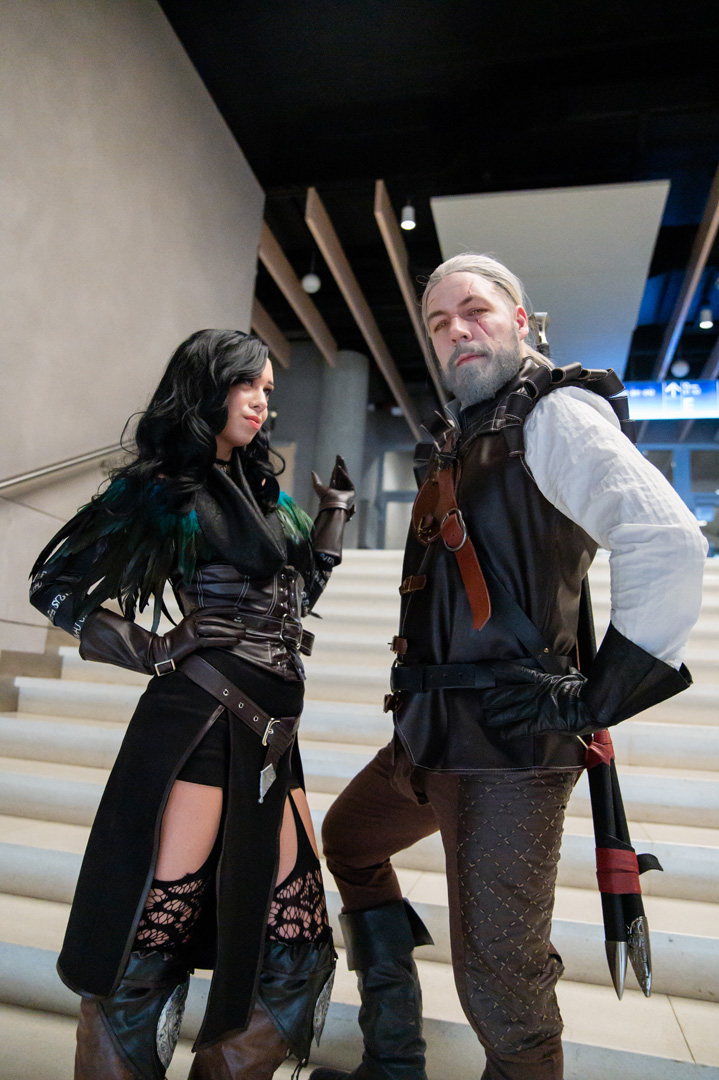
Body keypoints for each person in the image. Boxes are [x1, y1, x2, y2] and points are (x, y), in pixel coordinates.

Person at [310, 254, 707, 1080]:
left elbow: (665, 539)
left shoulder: (553, 413)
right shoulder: (464, 434)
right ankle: (394, 1054)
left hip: (508, 755)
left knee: (500, 992)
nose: (457, 330)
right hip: (427, 737)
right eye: (438, 322)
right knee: (349, 839)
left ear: (520, 320)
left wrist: (597, 697)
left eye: (475, 311)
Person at [29, 329, 355, 1080]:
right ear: (208, 387)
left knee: (299, 948)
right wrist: (153, 647)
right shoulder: (165, 488)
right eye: (249, 385)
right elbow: (54, 588)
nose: (262, 402)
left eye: (268, 390)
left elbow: (291, 598)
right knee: (151, 938)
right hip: (201, 724)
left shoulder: (266, 496)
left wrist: (333, 516)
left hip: (273, 734)